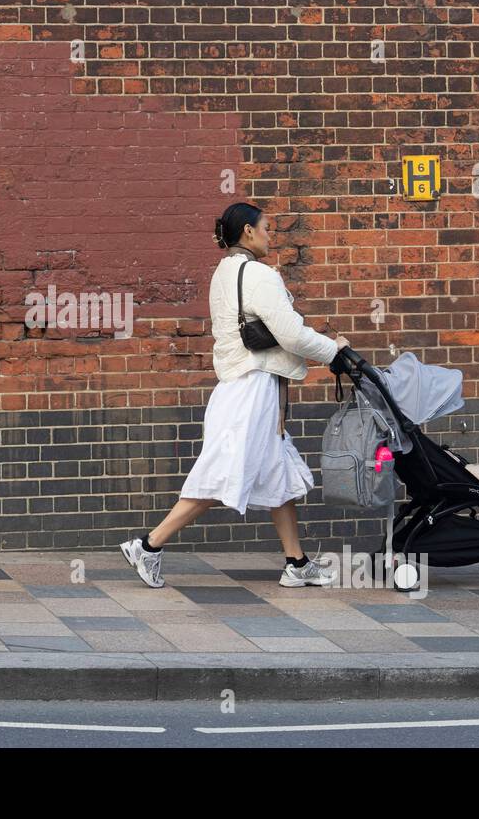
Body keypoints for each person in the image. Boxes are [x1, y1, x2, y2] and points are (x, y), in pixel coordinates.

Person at [120, 202, 349, 589]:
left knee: (277, 474)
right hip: (252, 390)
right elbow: (291, 333)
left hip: (240, 386)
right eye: (266, 228)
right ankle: (149, 545)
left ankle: (296, 562)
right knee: (222, 473)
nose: (269, 236)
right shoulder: (259, 276)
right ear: (247, 231)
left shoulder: (224, 274)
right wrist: (334, 350)